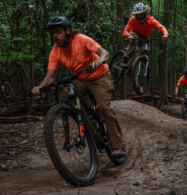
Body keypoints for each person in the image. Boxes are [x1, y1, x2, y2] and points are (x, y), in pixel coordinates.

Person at [31, 16, 125, 160]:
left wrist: (100, 61)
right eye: (52, 33)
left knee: (104, 107)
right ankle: (89, 123)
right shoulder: (56, 51)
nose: (55, 36)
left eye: (58, 32)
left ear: (67, 30)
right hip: (80, 79)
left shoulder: (81, 39)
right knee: (65, 99)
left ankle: (117, 144)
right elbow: (50, 77)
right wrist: (40, 87)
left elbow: (104, 53)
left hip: (100, 75)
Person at [121, 2, 169, 67]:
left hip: (144, 38)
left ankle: (132, 69)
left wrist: (165, 34)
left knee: (145, 54)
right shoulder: (133, 19)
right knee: (135, 39)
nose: (140, 16)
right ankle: (125, 59)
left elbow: (161, 27)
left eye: (141, 14)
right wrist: (128, 36)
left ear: (145, 13)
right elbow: (125, 31)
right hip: (134, 35)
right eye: (138, 14)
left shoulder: (151, 20)